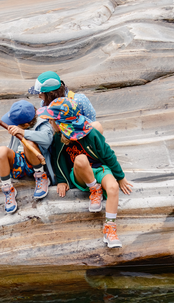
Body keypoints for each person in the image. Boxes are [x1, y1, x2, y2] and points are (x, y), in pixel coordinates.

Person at [37, 98, 133, 248]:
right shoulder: (59, 137)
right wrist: (62, 180)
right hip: (80, 174)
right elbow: (58, 159)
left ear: (61, 122)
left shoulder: (91, 133)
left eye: (52, 120)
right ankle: (94, 189)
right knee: (81, 159)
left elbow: (108, 154)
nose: (50, 123)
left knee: (113, 187)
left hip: (99, 169)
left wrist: (120, 177)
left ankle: (110, 228)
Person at [0, 100, 54, 214]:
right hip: (19, 164)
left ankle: (41, 178)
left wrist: (24, 133)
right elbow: (12, 148)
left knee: (28, 143)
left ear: (26, 124)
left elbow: (47, 139)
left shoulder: (43, 124)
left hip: (36, 164)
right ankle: (8, 188)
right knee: (1, 151)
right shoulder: (17, 127)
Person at [28, 71, 103, 134]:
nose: (39, 96)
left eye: (41, 94)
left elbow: (92, 122)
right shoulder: (44, 104)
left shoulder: (79, 100)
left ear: (50, 93)